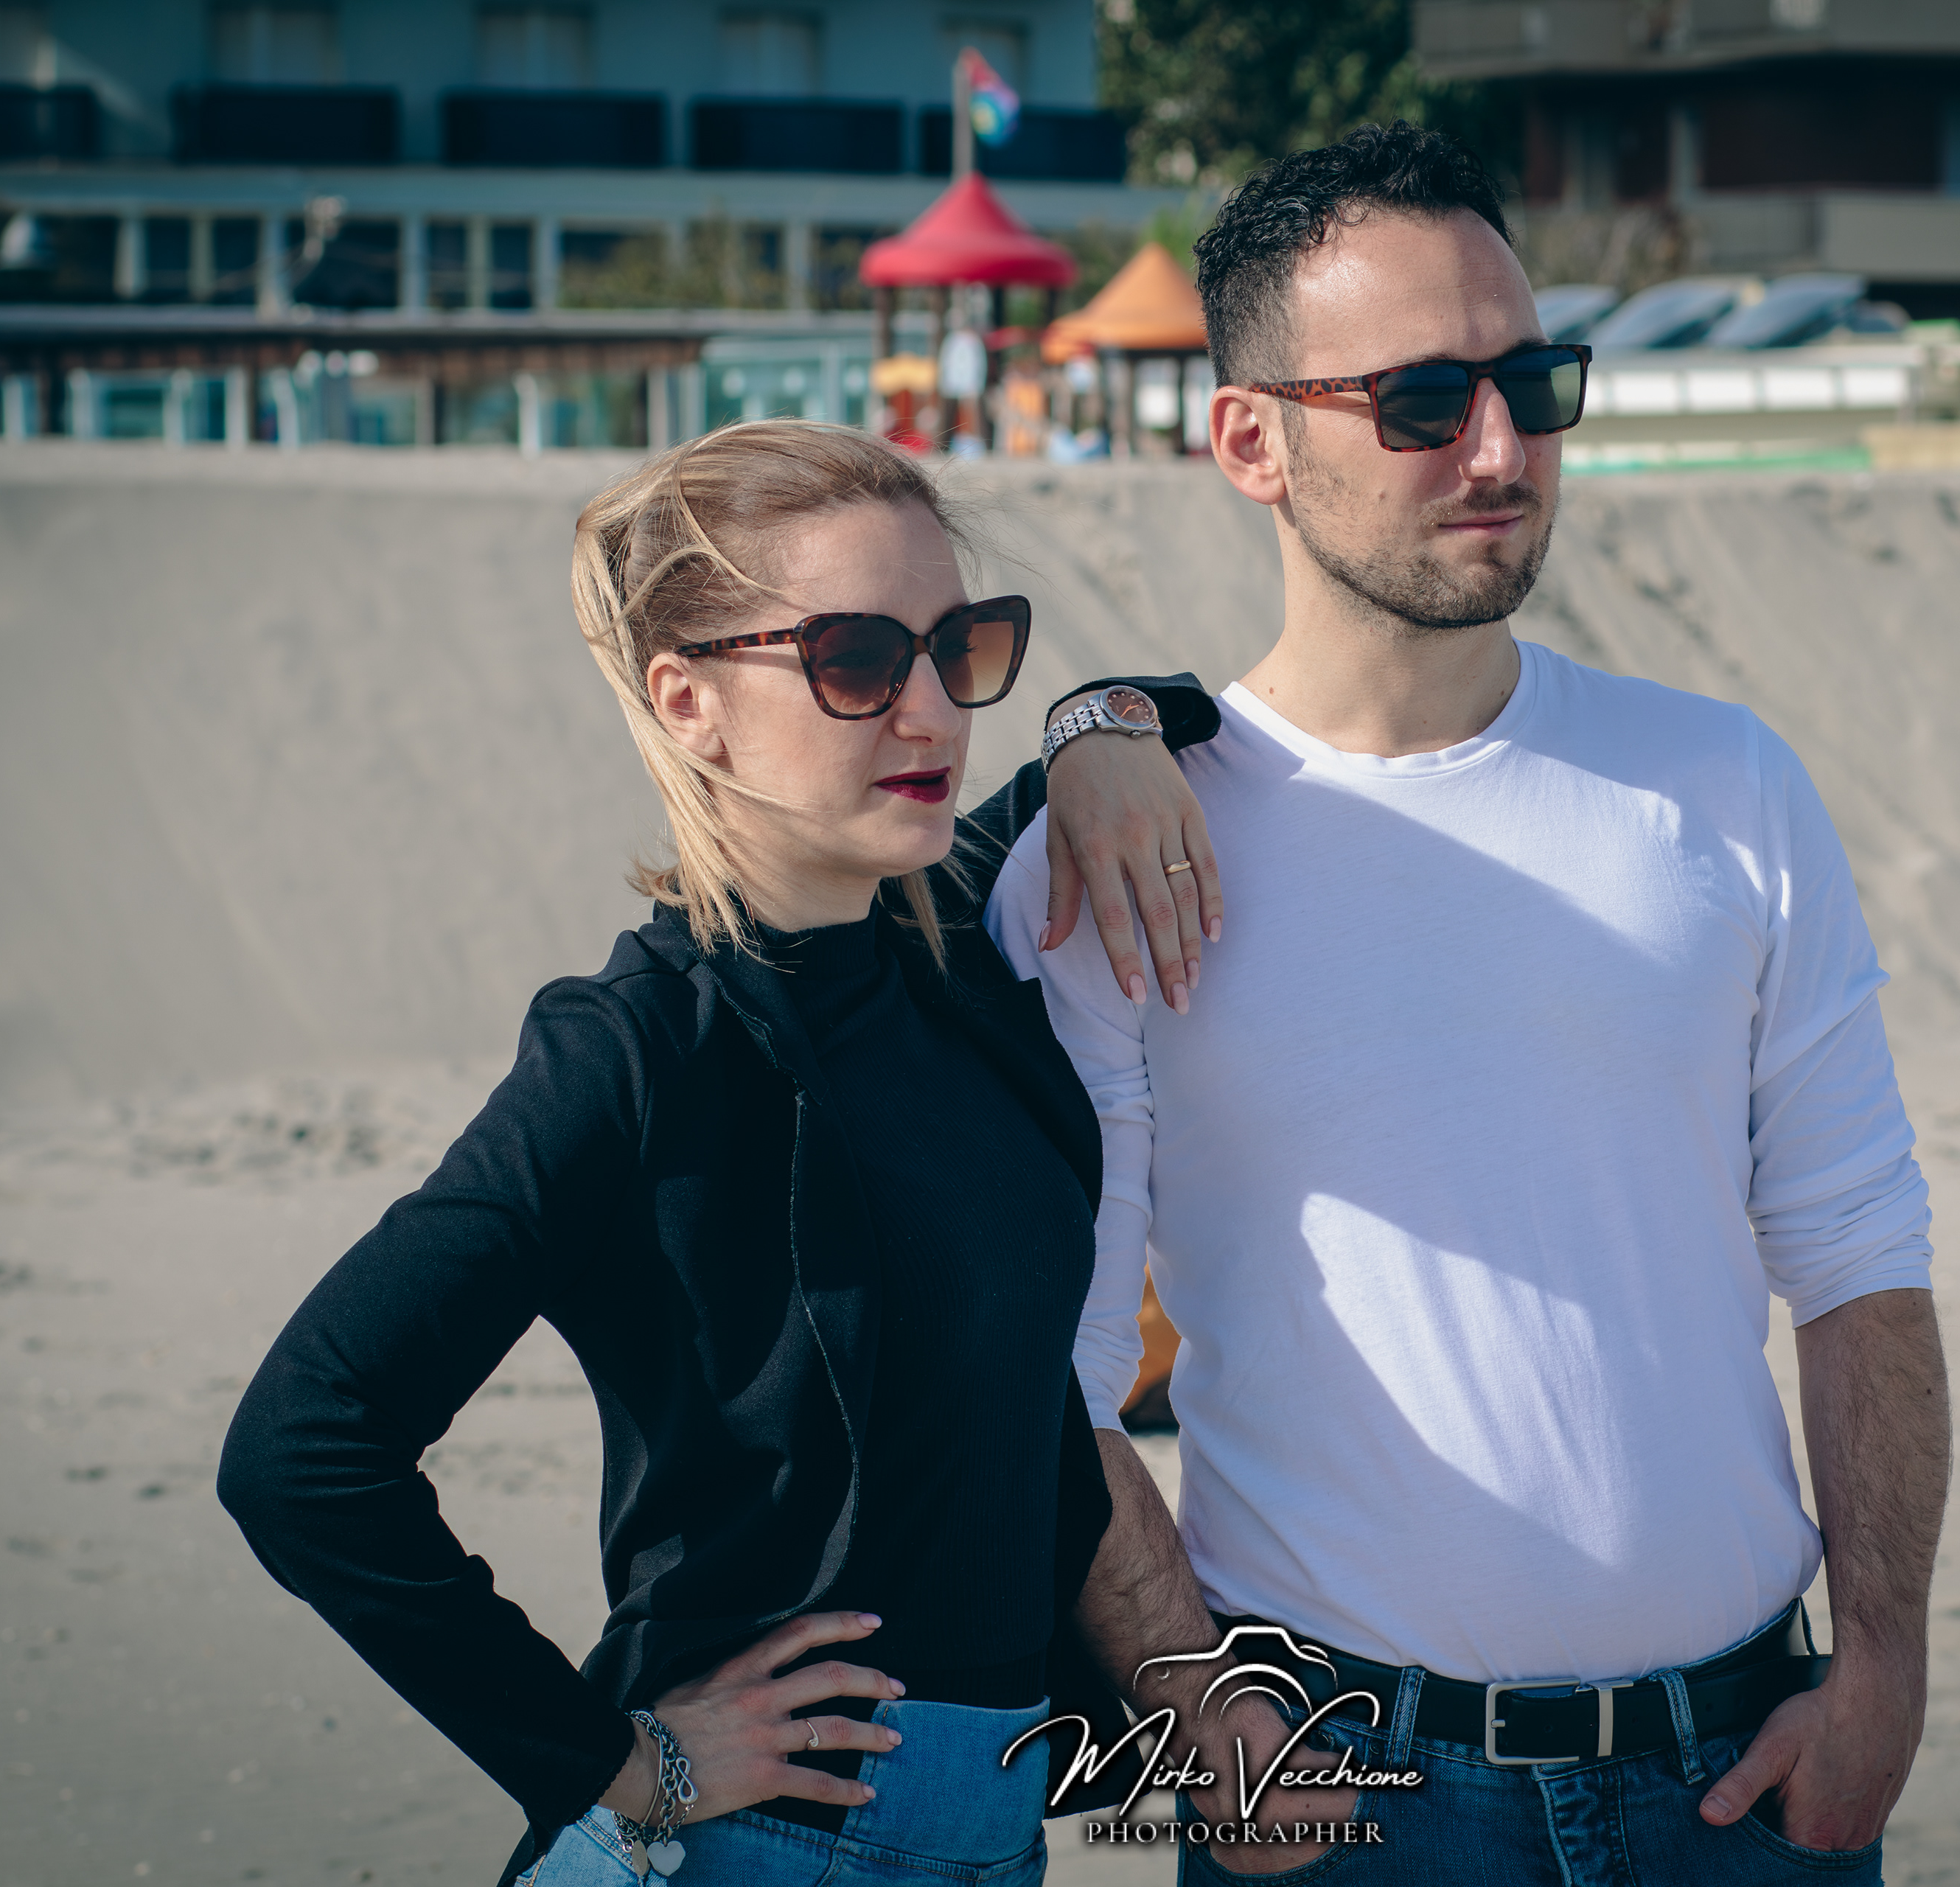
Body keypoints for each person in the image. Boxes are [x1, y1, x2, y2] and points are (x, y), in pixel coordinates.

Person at [985, 126, 1951, 1885]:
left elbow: (1859, 1250)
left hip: (1751, 1779)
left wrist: (1886, 1660)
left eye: (1533, 381)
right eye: (1423, 399)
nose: (1501, 448)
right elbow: (1053, 1362)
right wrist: (1196, 1707)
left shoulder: (1722, 783)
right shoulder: (1120, 855)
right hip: (1347, 1794)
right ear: (1251, 440)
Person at [217, 419, 1229, 1887]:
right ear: (688, 701)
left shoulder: (956, 935)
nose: (931, 709)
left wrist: (1094, 726)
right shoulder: (634, 1049)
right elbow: (302, 1446)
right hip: (750, 1842)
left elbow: (1190, 707)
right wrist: (611, 1760)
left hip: (1003, 1833)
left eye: (961, 646)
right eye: (856, 660)